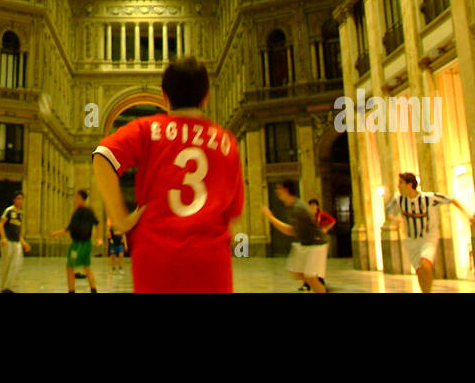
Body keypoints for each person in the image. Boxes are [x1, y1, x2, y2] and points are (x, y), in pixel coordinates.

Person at [92, 57, 244, 293]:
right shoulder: (227, 142)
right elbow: (233, 212)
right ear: (206, 96)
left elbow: (102, 154)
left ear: (164, 95)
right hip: (210, 263)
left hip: (155, 260)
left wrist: (121, 219)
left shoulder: (147, 129)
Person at [383, 171, 471, 293]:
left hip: (428, 238)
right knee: (420, 271)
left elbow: (451, 200)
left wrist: (467, 215)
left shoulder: (428, 198)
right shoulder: (399, 199)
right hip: (411, 241)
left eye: (401, 183)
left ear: (410, 185)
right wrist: (396, 220)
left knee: (425, 265)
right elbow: (388, 212)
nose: (398, 186)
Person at [261, 181, 330, 293]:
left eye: (279, 189)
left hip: (317, 244)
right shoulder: (291, 206)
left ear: (287, 190)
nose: (277, 191)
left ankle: (319, 286)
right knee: (296, 272)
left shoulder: (298, 208)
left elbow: (291, 231)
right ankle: (319, 284)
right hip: (305, 243)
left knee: (310, 277)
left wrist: (271, 218)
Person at [50, 190, 101, 292]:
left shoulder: (78, 212)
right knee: (87, 267)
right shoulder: (90, 211)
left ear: (81, 198)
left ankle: (71, 290)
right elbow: (98, 224)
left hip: (77, 245)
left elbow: (69, 229)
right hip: (88, 244)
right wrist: (98, 238)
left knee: (69, 267)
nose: (74, 200)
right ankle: (94, 290)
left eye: (76, 197)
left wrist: (56, 233)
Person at [0, 191, 30, 293]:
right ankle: (4, 288)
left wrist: (23, 242)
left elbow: (18, 231)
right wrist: (3, 238)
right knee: (6, 265)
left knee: (16, 264)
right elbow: (0, 224)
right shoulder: (9, 210)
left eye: (22, 199)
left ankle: (8, 287)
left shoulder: (20, 214)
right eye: (18, 198)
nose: (20, 201)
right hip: (8, 242)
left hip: (16, 242)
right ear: (14, 200)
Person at [307, 198, 336, 289]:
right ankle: (309, 282)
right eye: (311, 205)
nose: (312, 207)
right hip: (311, 240)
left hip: (320, 240)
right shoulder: (309, 216)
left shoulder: (321, 215)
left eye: (314, 205)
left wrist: (325, 229)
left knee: (318, 261)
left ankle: (319, 279)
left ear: (317, 206)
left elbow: (333, 221)